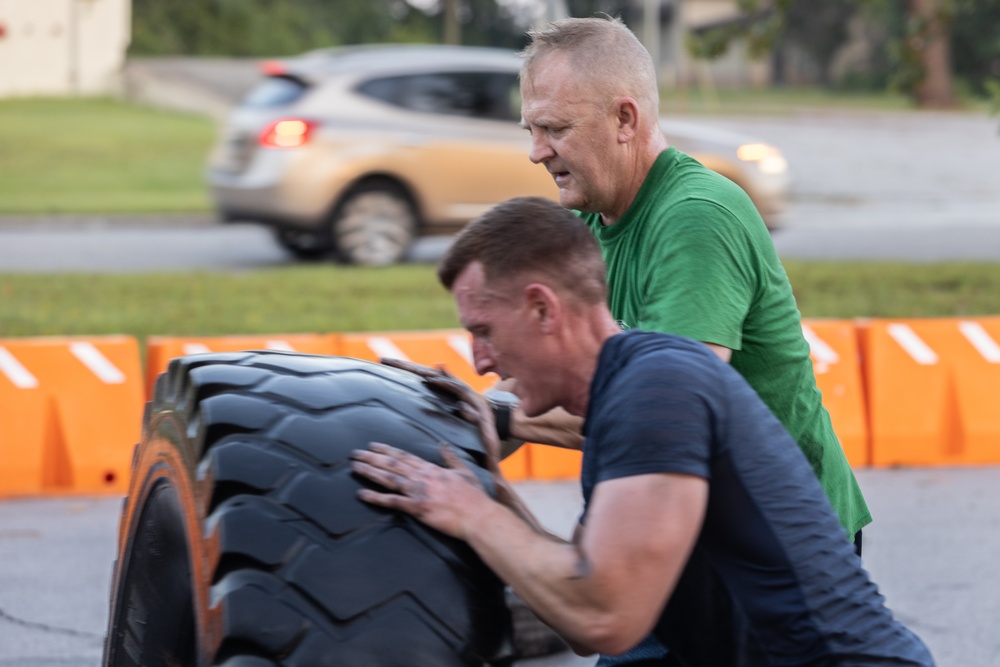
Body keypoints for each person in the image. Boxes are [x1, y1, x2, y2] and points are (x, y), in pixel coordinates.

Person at [350, 197, 934, 667]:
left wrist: (472, 514)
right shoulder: (622, 399)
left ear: (542, 310)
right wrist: (488, 496)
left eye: (484, 331)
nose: (479, 362)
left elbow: (607, 616)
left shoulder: (658, 389)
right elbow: (582, 614)